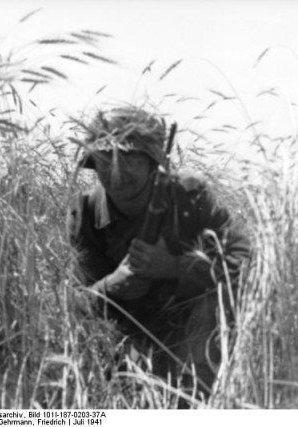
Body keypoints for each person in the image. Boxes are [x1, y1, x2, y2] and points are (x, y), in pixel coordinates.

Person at [67, 105, 251, 404]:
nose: (116, 173)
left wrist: (176, 267)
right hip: (127, 335)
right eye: (105, 158)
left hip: (192, 331)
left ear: (153, 163)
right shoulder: (85, 213)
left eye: (129, 158)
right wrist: (113, 285)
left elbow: (245, 264)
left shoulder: (188, 196)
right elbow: (75, 305)